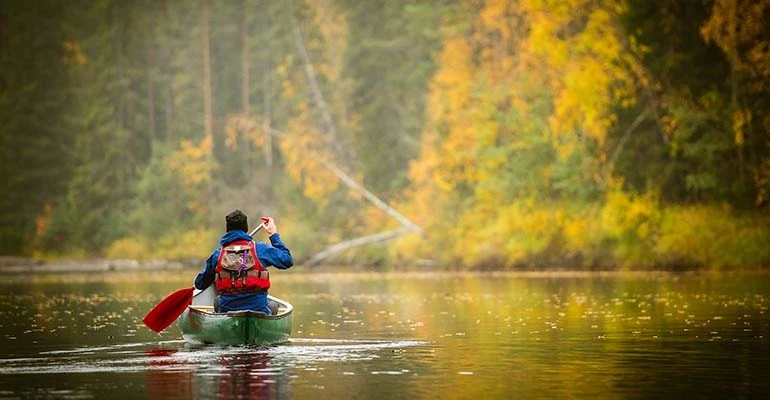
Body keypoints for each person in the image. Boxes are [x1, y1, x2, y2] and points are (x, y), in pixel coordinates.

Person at [194, 209, 293, 314]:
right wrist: (273, 234)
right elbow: (287, 260)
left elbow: (200, 284)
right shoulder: (260, 249)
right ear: (246, 228)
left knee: (217, 301)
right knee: (273, 305)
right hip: (258, 310)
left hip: (227, 310)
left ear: (227, 229)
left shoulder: (218, 254)